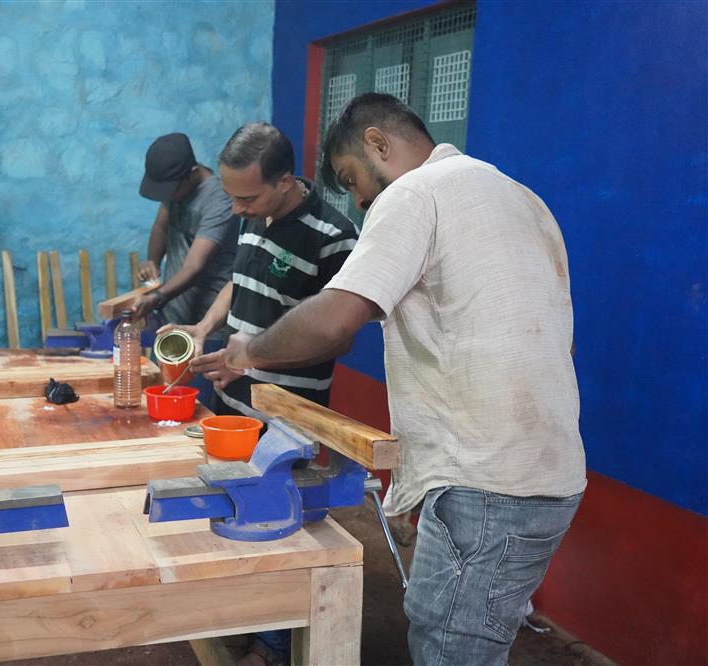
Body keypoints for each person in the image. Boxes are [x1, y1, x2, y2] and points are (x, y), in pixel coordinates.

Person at [223, 93, 587, 665]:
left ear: (378, 142)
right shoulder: (519, 196)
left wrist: (249, 350)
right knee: (468, 640)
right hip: (546, 473)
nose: (360, 200)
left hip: (485, 481)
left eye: (352, 179)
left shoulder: (416, 192)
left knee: (448, 648)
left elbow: (335, 321)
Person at [182, 122, 358, 421]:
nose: (236, 209)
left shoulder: (334, 237)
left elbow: (337, 341)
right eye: (231, 196)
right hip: (230, 402)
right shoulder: (254, 213)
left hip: (287, 417)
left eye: (247, 198)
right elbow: (241, 281)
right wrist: (204, 326)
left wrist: (251, 359)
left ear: (285, 182)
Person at [132, 132, 239, 331]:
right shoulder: (176, 187)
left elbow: (193, 267)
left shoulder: (220, 200)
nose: (168, 197)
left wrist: (157, 297)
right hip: (174, 310)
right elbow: (160, 227)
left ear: (192, 173)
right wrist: (152, 261)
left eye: (170, 191)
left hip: (209, 318)